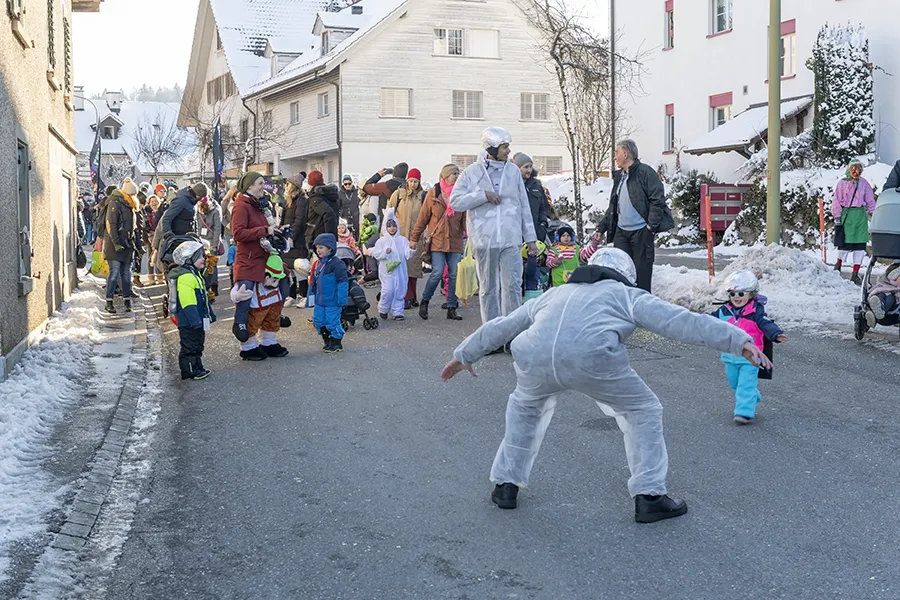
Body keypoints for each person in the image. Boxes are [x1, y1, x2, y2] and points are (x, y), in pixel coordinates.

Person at [440, 248, 771, 522]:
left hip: (535, 357)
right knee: (642, 409)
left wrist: (465, 355)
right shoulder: (627, 295)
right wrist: (737, 340)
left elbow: (505, 324)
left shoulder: (554, 293)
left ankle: (505, 485)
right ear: (624, 275)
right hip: (593, 357)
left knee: (525, 409)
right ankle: (650, 495)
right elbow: (678, 321)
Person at [450, 127, 539, 333]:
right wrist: (483, 195)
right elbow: (455, 202)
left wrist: (531, 238)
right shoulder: (472, 172)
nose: (508, 151)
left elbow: (523, 205)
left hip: (511, 238)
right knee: (488, 288)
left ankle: (513, 333)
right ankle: (491, 334)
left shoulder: (513, 171)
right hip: (484, 239)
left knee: (513, 287)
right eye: (505, 147)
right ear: (492, 147)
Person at [710, 270, 787, 425]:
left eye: (741, 294)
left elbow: (766, 324)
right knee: (734, 383)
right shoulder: (724, 311)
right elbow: (709, 322)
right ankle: (751, 396)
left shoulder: (756, 312)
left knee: (745, 385)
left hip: (751, 358)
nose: (736, 298)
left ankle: (744, 412)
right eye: (733, 294)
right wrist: (695, 322)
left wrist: (776, 334)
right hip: (730, 355)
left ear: (751, 294)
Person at [599, 139, 674, 292]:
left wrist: (650, 227)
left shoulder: (645, 172)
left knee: (641, 276)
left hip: (641, 232)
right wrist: (601, 228)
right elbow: (613, 206)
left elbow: (657, 200)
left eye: (617, 152)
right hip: (621, 233)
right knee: (621, 273)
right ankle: (624, 308)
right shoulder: (619, 177)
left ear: (625, 154)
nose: (615, 156)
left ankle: (642, 310)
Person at [410, 163, 467, 321]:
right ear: (444, 176)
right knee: (437, 272)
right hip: (437, 241)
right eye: (453, 174)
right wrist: (414, 238)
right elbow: (423, 218)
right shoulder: (433, 194)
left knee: (454, 274)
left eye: (457, 173)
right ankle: (425, 301)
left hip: (455, 241)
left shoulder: (460, 194)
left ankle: (451, 307)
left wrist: (471, 236)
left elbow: (465, 219)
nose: (456, 176)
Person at [230, 171, 279, 347]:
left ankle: (269, 340)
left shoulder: (259, 205)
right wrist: (265, 231)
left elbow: (266, 227)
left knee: (279, 288)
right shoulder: (242, 205)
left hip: (265, 257)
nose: (263, 187)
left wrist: (276, 231)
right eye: (260, 183)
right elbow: (238, 233)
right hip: (249, 260)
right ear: (249, 186)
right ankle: (242, 330)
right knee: (246, 295)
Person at [169, 240, 216, 380]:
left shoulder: (195, 275)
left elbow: (204, 300)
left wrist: (209, 315)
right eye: (201, 256)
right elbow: (188, 302)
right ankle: (189, 370)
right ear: (190, 258)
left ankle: (197, 366)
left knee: (198, 345)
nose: (204, 259)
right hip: (189, 321)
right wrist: (195, 320)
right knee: (189, 346)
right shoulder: (186, 277)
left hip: (197, 320)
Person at [231, 255, 291, 361]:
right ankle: (249, 348)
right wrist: (237, 296)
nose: (276, 283)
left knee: (270, 324)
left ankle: (268, 343)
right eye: (273, 281)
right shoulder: (251, 277)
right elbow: (236, 290)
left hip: (272, 305)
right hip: (255, 308)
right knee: (251, 326)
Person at [833, 159, 876, 285]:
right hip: (847, 216)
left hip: (860, 217)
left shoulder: (864, 183)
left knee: (860, 246)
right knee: (844, 243)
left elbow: (870, 200)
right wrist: (837, 216)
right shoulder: (842, 183)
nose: (856, 172)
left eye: (859, 169)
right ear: (849, 168)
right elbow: (836, 200)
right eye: (854, 168)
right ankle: (838, 266)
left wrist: (873, 212)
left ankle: (855, 273)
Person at [367, 208, 414, 320]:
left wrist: (412, 249)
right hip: (387, 270)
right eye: (389, 226)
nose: (392, 228)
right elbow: (376, 254)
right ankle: (383, 307)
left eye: (393, 226)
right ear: (385, 227)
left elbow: (407, 254)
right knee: (388, 290)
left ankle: (398, 311)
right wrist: (385, 252)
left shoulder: (402, 240)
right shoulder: (382, 241)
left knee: (400, 289)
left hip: (400, 270)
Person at [389, 167, 426, 308]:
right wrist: (386, 235)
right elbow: (389, 214)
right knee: (401, 267)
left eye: (415, 181)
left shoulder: (423, 196)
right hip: (400, 237)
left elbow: (426, 216)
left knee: (414, 267)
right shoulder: (398, 194)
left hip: (416, 237)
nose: (413, 184)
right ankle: (406, 296)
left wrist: (426, 235)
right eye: (411, 181)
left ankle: (413, 296)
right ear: (407, 181)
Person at [103, 178, 139, 313]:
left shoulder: (130, 205)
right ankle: (109, 302)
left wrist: (136, 245)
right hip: (114, 245)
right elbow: (111, 225)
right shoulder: (115, 202)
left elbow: (133, 227)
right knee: (114, 273)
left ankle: (127, 301)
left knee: (126, 274)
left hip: (127, 244)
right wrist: (116, 243)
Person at [310, 233, 349, 353]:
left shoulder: (336, 264)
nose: (318, 250)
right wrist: (310, 297)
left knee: (332, 322)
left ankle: (336, 342)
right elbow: (314, 282)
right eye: (317, 248)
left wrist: (341, 299)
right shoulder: (318, 264)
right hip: (320, 300)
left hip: (332, 301)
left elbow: (343, 282)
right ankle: (327, 340)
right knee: (318, 321)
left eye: (321, 247)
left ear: (330, 248)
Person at [280, 174, 310, 307]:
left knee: (299, 267)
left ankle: (304, 295)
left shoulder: (301, 200)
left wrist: (291, 235)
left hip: (296, 239)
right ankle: (291, 295)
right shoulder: (288, 200)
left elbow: (299, 221)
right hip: (286, 236)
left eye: (287, 184)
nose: (285, 186)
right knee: (287, 267)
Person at [513, 153, 552, 244]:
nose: (529, 170)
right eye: (526, 167)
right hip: (515, 234)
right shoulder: (510, 186)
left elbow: (544, 207)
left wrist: (542, 224)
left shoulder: (536, 186)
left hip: (535, 232)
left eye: (530, 167)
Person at [196, 195, 223, 296]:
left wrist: (215, 244)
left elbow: (217, 229)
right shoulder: (197, 212)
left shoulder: (215, 211)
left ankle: (214, 285)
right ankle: (205, 285)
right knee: (202, 264)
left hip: (211, 241)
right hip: (201, 241)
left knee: (212, 264)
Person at [305, 170, 339, 250]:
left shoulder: (316, 197)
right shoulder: (331, 195)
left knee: (318, 260)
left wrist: (329, 237)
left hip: (318, 237)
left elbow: (329, 214)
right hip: (327, 235)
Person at [864, 262, 900, 327]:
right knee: (880, 295)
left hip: (891, 303)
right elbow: (878, 288)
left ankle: (875, 314)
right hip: (881, 293)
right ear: (893, 277)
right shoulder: (884, 281)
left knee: (890, 298)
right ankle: (876, 307)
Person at [145, 195, 162, 284]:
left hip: (160, 236)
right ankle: (151, 277)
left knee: (159, 256)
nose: (154, 203)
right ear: (149, 203)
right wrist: (149, 234)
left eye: (156, 201)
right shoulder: (146, 213)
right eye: (152, 201)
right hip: (150, 236)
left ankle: (160, 276)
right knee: (150, 255)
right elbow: (145, 224)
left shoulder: (161, 212)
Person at [339, 174, 361, 239]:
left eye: (349, 183)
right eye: (345, 184)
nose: (348, 185)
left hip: (356, 216)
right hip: (344, 217)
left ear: (352, 183)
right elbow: (338, 206)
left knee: (357, 234)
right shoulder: (340, 194)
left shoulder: (356, 192)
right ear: (343, 184)